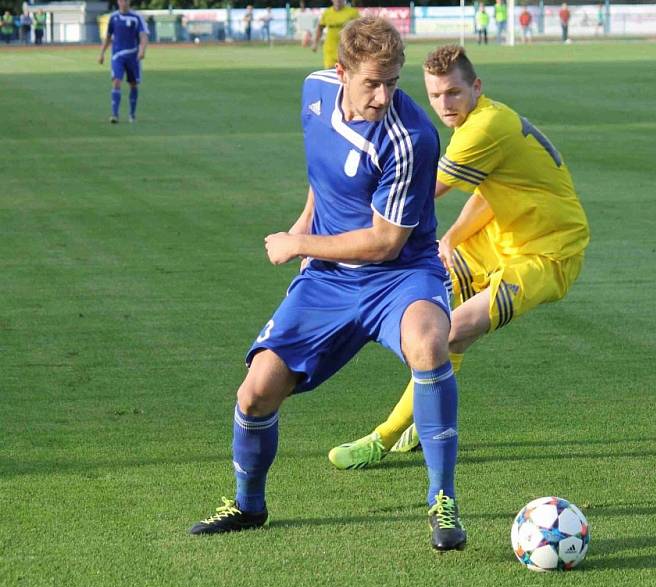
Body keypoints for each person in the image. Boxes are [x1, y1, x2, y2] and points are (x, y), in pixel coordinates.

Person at [189, 17, 467, 553]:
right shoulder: (314, 92)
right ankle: (248, 506)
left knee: (430, 345)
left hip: (400, 276)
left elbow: (386, 242)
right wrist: (305, 222)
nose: (384, 95)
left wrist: (298, 246)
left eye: (393, 82)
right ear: (341, 73)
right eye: (372, 83)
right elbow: (325, 174)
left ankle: (442, 500)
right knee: (256, 391)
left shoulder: (411, 139)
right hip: (329, 281)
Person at [328, 44, 589, 471]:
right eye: (434, 95)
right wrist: (451, 237)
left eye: (452, 93)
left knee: (449, 334)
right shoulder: (485, 119)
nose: (443, 104)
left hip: (546, 253)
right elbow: (493, 191)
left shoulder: (481, 130)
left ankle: (384, 437)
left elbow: (416, 192)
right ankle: (422, 418)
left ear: (476, 87)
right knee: (433, 310)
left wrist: (347, 200)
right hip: (500, 237)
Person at [98, 0, 148, 124]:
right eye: (121, 0)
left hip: (133, 56)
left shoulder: (137, 18)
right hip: (117, 56)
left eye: (125, 0)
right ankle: (115, 114)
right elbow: (108, 37)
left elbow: (143, 36)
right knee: (116, 81)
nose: (123, 2)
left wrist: (142, 50)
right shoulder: (113, 17)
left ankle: (132, 114)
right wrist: (102, 53)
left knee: (133, 84)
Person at [312, 0, 359, 69]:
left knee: (345, 71)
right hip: (330, 48)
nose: (338, 1)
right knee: (331, 71)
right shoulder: (327, 12)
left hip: (346, 48)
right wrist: (315, 43)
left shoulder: (352, 12)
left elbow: (360, 27)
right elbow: (320, 27)